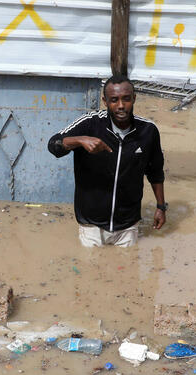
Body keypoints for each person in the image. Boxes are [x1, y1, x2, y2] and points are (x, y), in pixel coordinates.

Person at [47, 75, 167, 247]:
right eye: (114, 100)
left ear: (134, 98)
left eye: (126, 99)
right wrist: (80, 140)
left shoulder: (148, 131)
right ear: (105, 101)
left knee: (129, 263)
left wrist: (161, 207)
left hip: (128, 225)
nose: (121, 105)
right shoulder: (90, 123)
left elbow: (155, 172)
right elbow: (53, 145)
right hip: (91, 225)